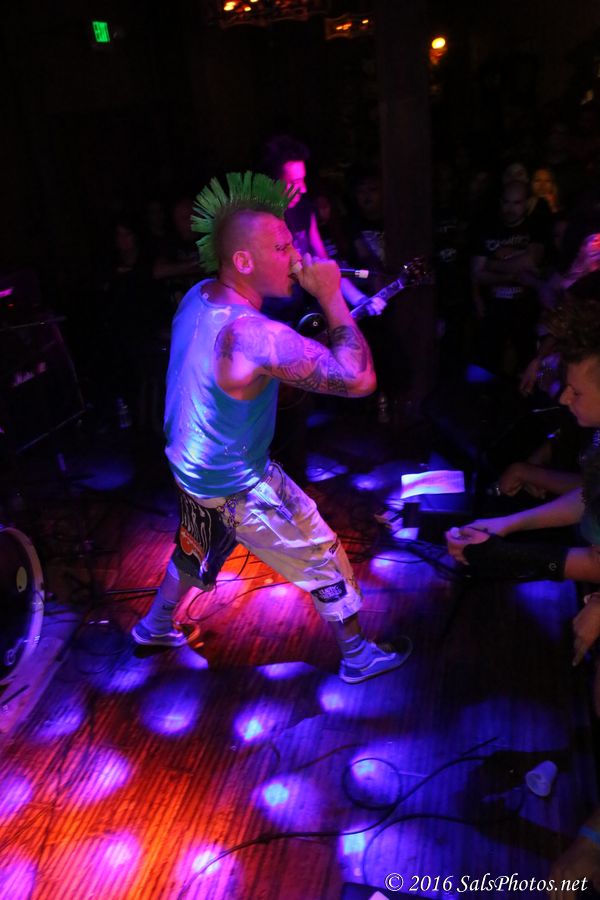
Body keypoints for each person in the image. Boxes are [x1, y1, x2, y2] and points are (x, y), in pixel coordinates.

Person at [132, 171, 412, 684]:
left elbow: (217, 378)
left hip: (190, 465)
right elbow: (360, 379)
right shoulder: (254, 335)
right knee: (318, 548)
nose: (297, 257)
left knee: (198, 544)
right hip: (234, 482)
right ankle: (357, 656)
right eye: (282, 247)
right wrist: (331, 296)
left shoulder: (198, 295)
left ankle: (153, 626)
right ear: (243, 261)